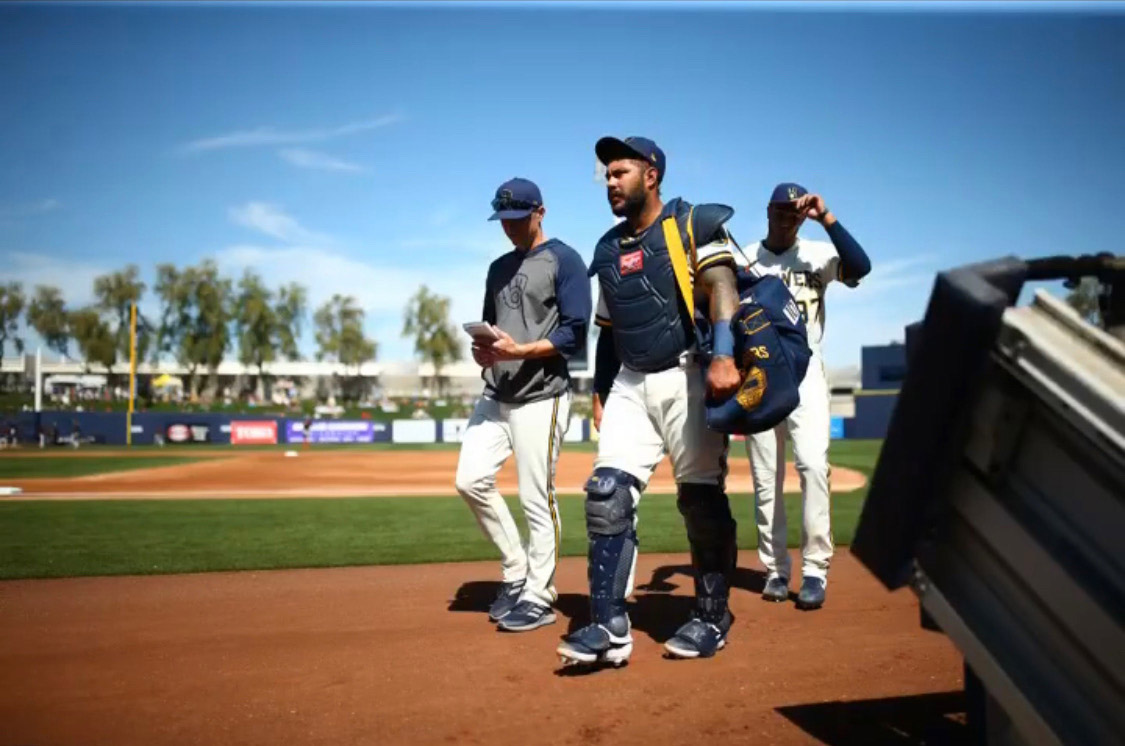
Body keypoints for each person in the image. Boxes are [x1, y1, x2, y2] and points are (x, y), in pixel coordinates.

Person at [557, 136, 743, 666]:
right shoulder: (607, 250)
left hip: (690, 371)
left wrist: (725, 357)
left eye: (620, 172)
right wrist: (598, 391)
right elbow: (609, 331)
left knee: (700, 500)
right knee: (605, 492)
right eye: (606, 175)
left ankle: (711, 617)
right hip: (631, 383)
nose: (610, 182)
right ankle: (608, 626)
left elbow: (722, 288)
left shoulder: (694, 223)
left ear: (651, 175)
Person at [454, 177, 592, 633]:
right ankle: (516, 572)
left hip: (542, 394)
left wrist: (520, 351)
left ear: (540, 213)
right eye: (503, 220)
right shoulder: (497, 268)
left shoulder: (564, 260)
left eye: (517, 219)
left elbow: (574, 333)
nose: (509, 228)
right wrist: (486, 351)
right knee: (470, 480)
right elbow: (494, 326)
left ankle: (539, 594)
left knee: (537, 497)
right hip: (497, 392)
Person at [737, 183, 871, 610]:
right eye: (780, 210)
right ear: (768, 211)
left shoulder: (816, 253)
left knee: (813, 465)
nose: (786, 217)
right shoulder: (746, 258)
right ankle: (776, 568)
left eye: (794, 212)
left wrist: (826, 216)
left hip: (806, 371)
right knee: (765, 478)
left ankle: (815, 568)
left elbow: (860, 266)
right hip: (757, 373)